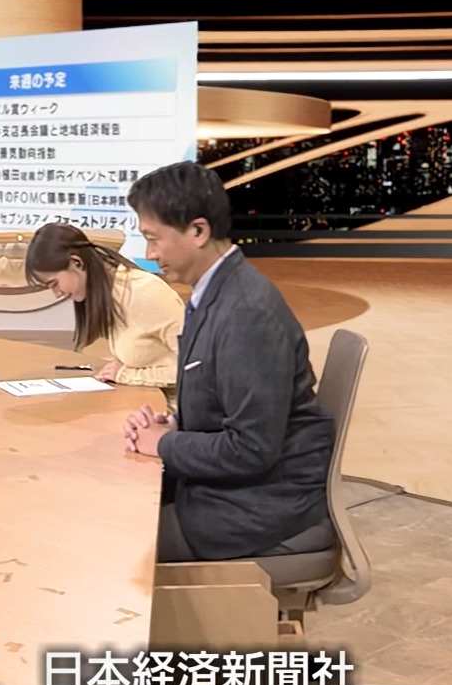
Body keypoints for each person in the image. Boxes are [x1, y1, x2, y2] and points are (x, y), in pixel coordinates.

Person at [122, 162, 336, 563]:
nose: (150, 254)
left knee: (114, 547)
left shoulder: (246, 312)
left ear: (198, 231)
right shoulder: (215, 293)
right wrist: (174, 426)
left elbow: (251, 448)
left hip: (261, 506)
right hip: (238, 491)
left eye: (153, 239)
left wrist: (165, 443)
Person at [26, 222, 185, 409]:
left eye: (55, 283)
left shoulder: (144, 292)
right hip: (140, 404)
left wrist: (126, 374)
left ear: (77, 262)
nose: (57, 293)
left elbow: (199, 367)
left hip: (175, 412)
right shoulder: (110, 292)